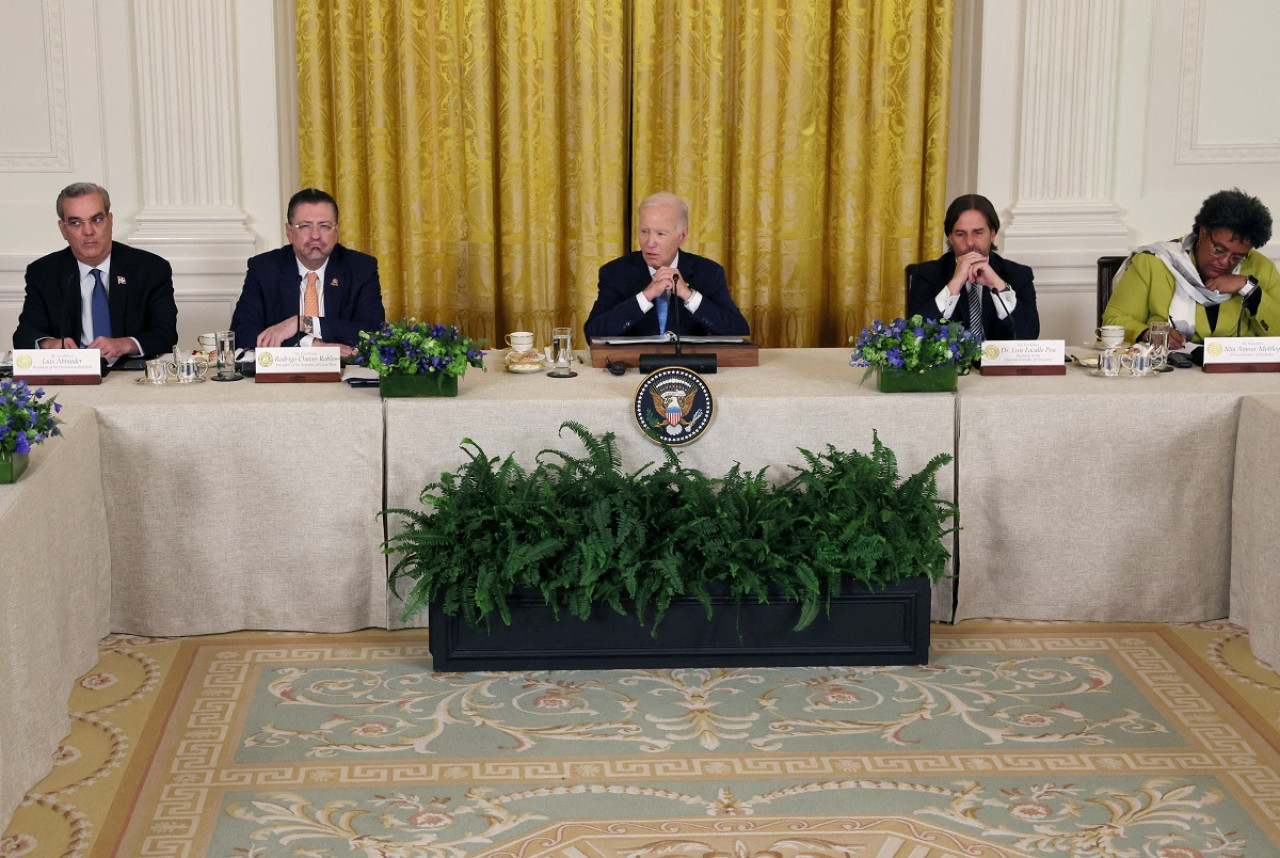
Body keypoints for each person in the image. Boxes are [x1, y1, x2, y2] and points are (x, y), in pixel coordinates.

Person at [13, 182, 178, 361]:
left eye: (96, 219)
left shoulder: (150, 268)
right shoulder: (44, 272)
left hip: (131, 375)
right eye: (76, 223)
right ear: (63, 229)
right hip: (72, 374)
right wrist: (49, 344)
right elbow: (25, 334)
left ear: (110, 221)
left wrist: (125, 344)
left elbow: (165, 334)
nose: (88, 231)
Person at [1104, 188, 1277, 349]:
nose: (1225, 262)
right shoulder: (1154, 262)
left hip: (1240, 375)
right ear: (1203, 233)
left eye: (1237, 257)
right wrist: (1147, 333)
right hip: (1168, 372)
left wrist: (1249, 289)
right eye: (1218, 250)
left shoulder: (1260, 268)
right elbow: (1114, 321)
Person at [230, 188, 385, 355]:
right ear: (289, 232)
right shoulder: (265, 269)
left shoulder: (360, 267)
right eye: (305, 226)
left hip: (342, 373)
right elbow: (241, 332)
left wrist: (304, 322)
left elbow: (373, 331)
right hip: (283, 377)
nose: (315, 235)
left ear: (337, 231)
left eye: (324, 226)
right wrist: (310, 345)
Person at [584, 192, 749, 340]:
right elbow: (593, 334)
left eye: (660, 234)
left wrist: (688, 295)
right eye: (644, 231)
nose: (649, 243)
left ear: (682, 237)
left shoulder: (709, 273)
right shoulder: (615, 273)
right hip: (633, 370)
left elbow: (739, 331)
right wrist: (645, 296)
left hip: (691, 370)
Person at [906, 194, 1039, 340]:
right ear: (950, 237)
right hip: (952, 363)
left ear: (993, 234)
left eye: (978, 232)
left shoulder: (1018, 275)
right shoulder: (926, 275)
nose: (969, 242)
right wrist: (954, 284)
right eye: (960, 234)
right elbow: (916, 334)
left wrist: (997, 284)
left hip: (999, 362)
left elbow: (1029, 335)